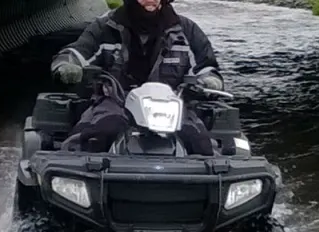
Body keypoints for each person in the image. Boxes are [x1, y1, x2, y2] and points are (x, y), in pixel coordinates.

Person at [50, 0, 225, 155]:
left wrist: (211, 81)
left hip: (172, 105)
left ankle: (207, 186)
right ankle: (68, 180)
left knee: (199, 139)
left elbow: (206, 67)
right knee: (98, 131)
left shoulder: (186, 30)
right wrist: (66, 66)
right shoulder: (105, 27)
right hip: (115, 102)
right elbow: (76, 53)